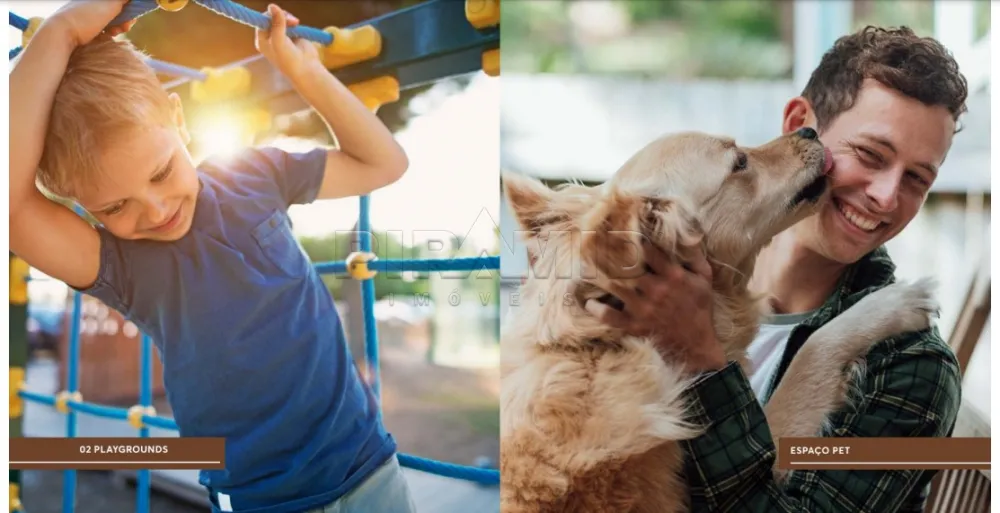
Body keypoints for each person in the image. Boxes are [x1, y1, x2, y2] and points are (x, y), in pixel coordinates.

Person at [10, 1, 415, 512]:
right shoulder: (125, 267)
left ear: (179, 122)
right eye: (114, 206)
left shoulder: (253, 175)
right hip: (268, 500)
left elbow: (384, 163)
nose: (155, 210)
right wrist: (63, 30)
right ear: (83, 208)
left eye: (160, 173)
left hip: (369, 465)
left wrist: (303, 72)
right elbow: (13, 209)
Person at [585, 26, 968, 512]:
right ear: (798, 125)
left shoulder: (909, 365)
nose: (886, 196)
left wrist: (701, 356)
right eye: (870, 155)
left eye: (917, 178)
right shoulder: (645, 294)